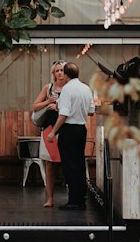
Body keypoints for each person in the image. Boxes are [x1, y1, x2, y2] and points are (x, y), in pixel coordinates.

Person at [50, 60, 95, 211]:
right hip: (81, 129)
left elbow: (63, 114)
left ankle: (74, 201)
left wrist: (53, 131)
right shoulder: (86, 88)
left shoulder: (67, 89)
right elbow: (91, 111)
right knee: (79, 164)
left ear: (67, 74)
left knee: (69, 166)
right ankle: (81, 198)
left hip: (68, 130)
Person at [32, 61, 64, 208]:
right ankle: (50, 199)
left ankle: (71, 198)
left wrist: (58, 106)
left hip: (65, 129)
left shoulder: (70, 88)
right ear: (53, 73)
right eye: (57, 70)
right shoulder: (48, 88)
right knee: (49, 166)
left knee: (67, 165)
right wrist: (48, 102)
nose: (59, 73)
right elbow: (35, 105)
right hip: (49, 130)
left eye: (62, 70)